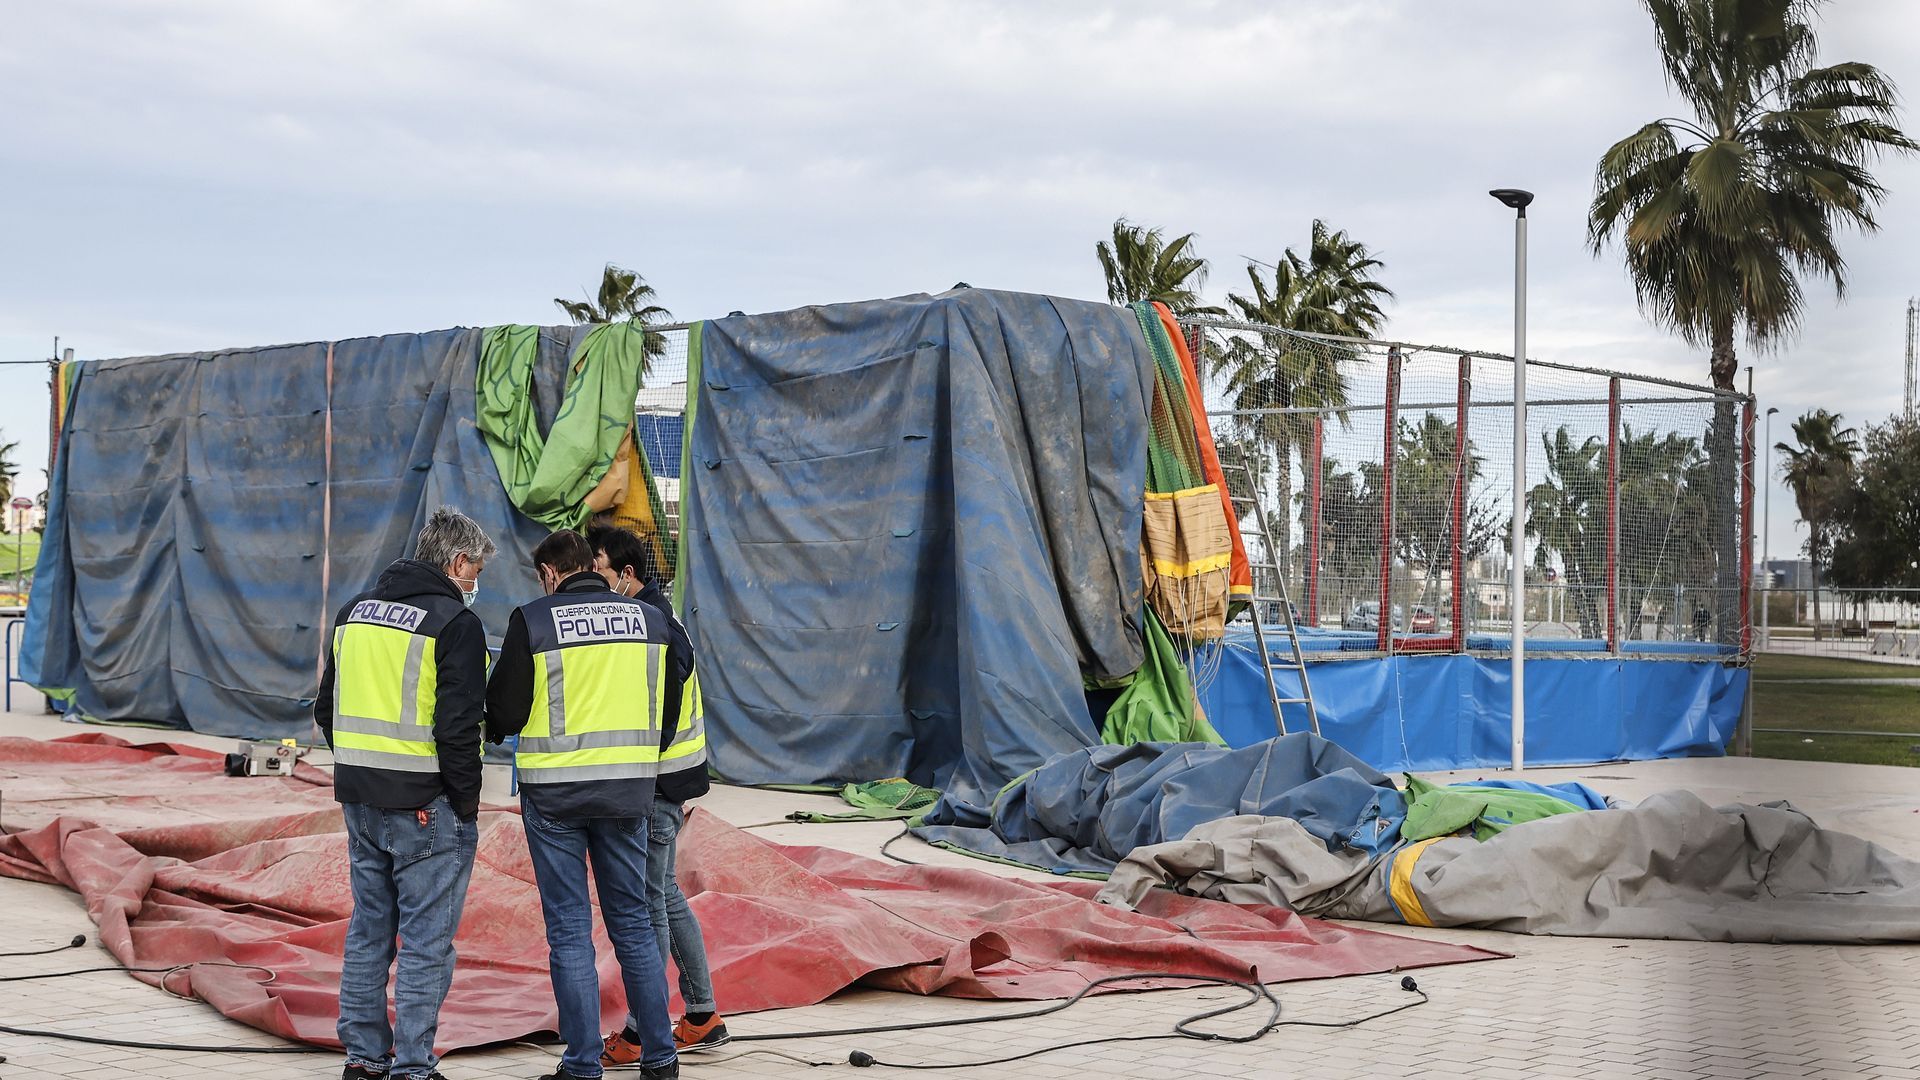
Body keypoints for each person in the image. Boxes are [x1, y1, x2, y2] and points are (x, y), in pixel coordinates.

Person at [485, 530, 696, 1080]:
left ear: (551, 574)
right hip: (628, 793)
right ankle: (661, 1057)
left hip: (554, 796)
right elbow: (669, 704)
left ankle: (582, 1064)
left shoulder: (532, 621)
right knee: (632, 924)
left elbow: (504, 712)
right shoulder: (650, 622)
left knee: (570, 932)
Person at [315, 507, 496, 1080]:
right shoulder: (455, 625)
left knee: (370, 928)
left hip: (360, 798)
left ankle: (364, 1060)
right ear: (457, 562)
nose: (474, 583)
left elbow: (327, 708)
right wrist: (465, 807)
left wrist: (363, 767)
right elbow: (459, 731)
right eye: (475, 571)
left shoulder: (354, 613)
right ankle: (414, 1067)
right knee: (425, 941)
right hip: (427, 806)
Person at [586, 526, 727, 1063]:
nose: (592, 579)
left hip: (659, 785)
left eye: (598, 569)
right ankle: (701, 1014)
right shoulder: (655, 617)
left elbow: (659, 713)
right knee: (664, 893)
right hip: (676, 778)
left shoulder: (655, 628)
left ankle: (644, 1031)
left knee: (647, 906)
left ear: (626, 574)